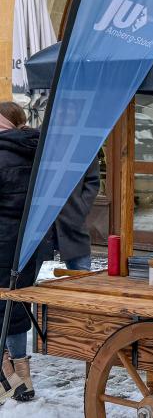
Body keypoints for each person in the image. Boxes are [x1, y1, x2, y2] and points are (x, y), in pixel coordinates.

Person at [0, 101, 52, 403]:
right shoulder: (38, 148)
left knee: (2, 305)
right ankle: (23, 375)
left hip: (3, 241)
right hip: (30, 242)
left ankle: (10, 375)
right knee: (17, 305)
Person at [55, 158, 100, 270]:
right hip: (39, 223)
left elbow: (93, 181)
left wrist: (81, 208)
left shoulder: (83, 143)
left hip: (73, 219)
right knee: (25, 283)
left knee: (81, 276)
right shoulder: (40, 142)